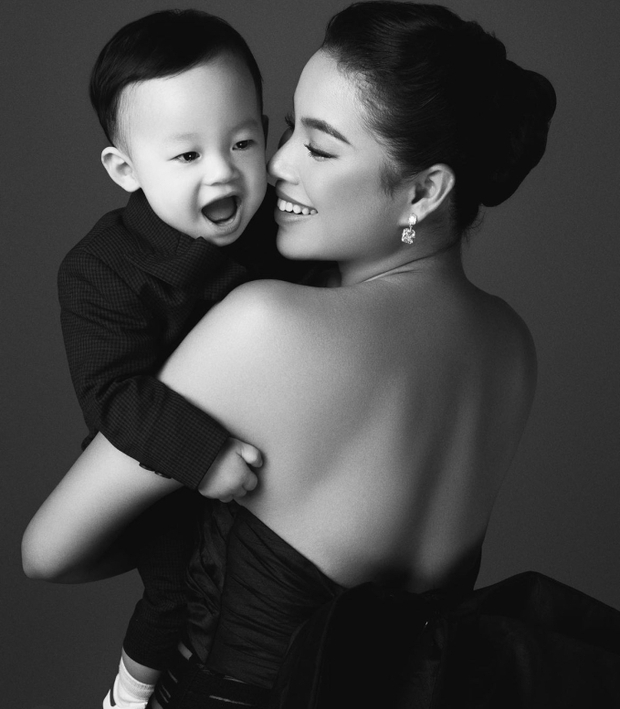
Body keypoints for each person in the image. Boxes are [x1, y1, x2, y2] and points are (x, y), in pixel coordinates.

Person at [23, 2, 620, 707]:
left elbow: (49, 551)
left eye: (321, 147)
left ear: (423, 191)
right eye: (287, 131)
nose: (275, 165)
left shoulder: (266, 326)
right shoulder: (511, 345)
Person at [55, 9, 313, 708]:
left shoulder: (280, 228)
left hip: (276, 461)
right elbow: (114, 395)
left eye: (242, 142)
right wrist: (203, 457)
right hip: (165, 462)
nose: (223, 172)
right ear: (126, 168)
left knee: (265, 606)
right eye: (187, 156)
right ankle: (129, 693)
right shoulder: (101, 269)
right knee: (175, 594)